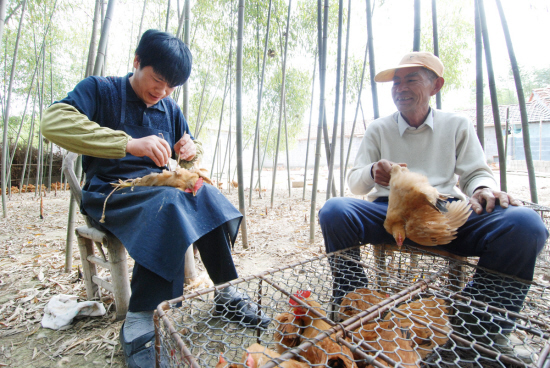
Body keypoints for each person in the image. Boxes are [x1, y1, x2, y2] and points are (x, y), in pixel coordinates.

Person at [42, 29, 269, 368]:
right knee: (172, 204)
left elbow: (190, 150)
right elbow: (52, 122)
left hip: (159, 192)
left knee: (203, 193)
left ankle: (227, 292)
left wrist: (190, 151)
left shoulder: (169, 108)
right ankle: (140, 318)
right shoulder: (100, 91)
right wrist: (127, 143)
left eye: (171, 87)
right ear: (137, 62)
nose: (161, 92)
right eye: (158, 80)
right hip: (111, 192)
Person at [319, 52, 548, 349]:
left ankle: (479, 321)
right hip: (390, 215)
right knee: (335, 210)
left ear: (435, 85)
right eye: (396, 83)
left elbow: (476, 172)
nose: (400, 88)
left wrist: (482, 188)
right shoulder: (378, 128)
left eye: (410, 80)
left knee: (525, 224)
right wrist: (373, 172)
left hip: (445, 214)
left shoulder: (456, 125)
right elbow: (354, 182)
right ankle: (354, 302)